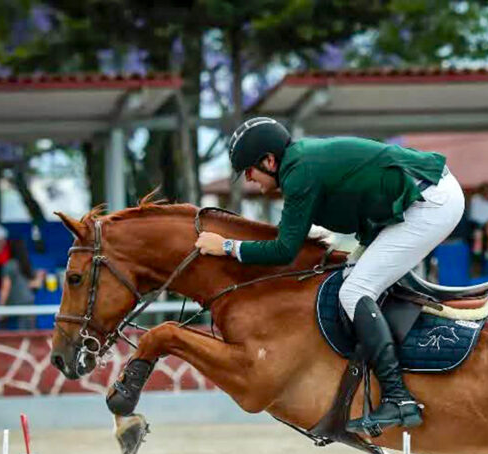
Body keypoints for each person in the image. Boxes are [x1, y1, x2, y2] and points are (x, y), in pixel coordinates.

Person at [195, 117, 463, 434]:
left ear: (269, 160)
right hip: (418, 199)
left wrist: (227, 246)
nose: (249, 179)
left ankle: (399, 398)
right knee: (350, 276)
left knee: (354, 292)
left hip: (429, 203)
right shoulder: (299, 164)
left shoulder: (299, 173)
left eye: (249, 170)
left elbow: (283, 251)